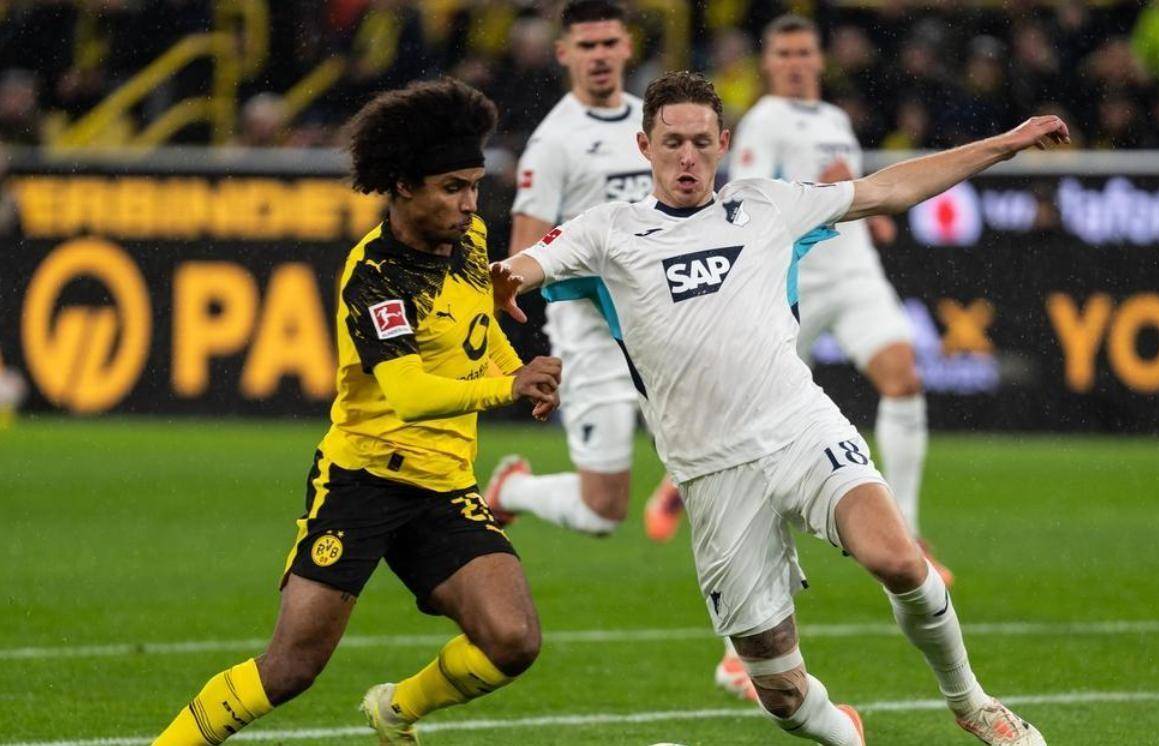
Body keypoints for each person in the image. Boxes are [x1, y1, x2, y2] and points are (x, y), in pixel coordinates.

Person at [495, 71, 1065, 745]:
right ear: (644, 146)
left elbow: (888, 189)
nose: (687, 157)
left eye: (700, 142)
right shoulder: (605, 231)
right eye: (672, 143)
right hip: (709, 471)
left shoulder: (766, 205)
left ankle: (972, 703)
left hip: (798, 428)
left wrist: (1005, 143)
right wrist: (502, 296)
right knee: (783, 694)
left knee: (898, 559)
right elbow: (516, 269)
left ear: (723, 142)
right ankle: (845, 735)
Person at [153, 78, 563, 745]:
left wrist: (514, 368)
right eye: (452, 188)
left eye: (474, 185)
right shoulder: (374, 275)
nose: (469, 204)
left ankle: (394, 711)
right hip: (362, 482)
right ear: (403, 186)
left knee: (513, 639)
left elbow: (474, 331)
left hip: (443, 485)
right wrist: (507, 390)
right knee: (291, 668)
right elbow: (410, 395)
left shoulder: (468, 240)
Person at [725, 13, 954, 700]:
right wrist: (822, 193)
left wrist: (864, 211)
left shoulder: (833, 118)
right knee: (756, 423)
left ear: (818, 60)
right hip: (794, 284)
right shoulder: (762, 123)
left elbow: (851, 189)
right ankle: (741, 601)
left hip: (853, 275)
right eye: (784, 52)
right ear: (769, 63)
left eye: (804, 51)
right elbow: (745, 205)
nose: (795, 62)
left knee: (903, 379)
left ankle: (909, 532)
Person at [485, 0, 685, 545]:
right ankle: (512, 490)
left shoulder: (656, 123)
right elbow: (522, 255)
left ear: (627, 46)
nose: (599, 55)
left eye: (608, 43)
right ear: (564, 53)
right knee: (602, 512)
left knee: (723, 458)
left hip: (666, 325)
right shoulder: (554, 142)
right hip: (592, 339)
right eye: (587, 45)